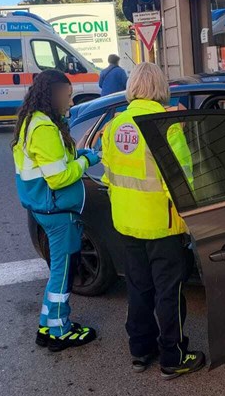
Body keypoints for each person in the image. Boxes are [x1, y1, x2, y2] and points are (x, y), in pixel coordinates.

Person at [102, 62, 205, 379]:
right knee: (168, 294)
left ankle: (139, 350)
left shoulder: (114, 126)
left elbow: (109, 176)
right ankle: (173, 356)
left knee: (138, 289)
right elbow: (182, 183)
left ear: (132, 87)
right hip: (162, 226)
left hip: (127, 224)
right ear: (161, 89)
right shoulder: (166, 127)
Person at [12, 69, 101, 352]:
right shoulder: (44, 129)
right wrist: (87, 161)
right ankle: (60, 331)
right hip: (57, 211)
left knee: (60, 271)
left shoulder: (34, 122)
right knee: (62, 273)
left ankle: (47, 324)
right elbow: (59, 178)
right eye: (67, 96)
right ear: (53, 95)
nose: (71, 103)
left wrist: (78, 155)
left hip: (49, 209)